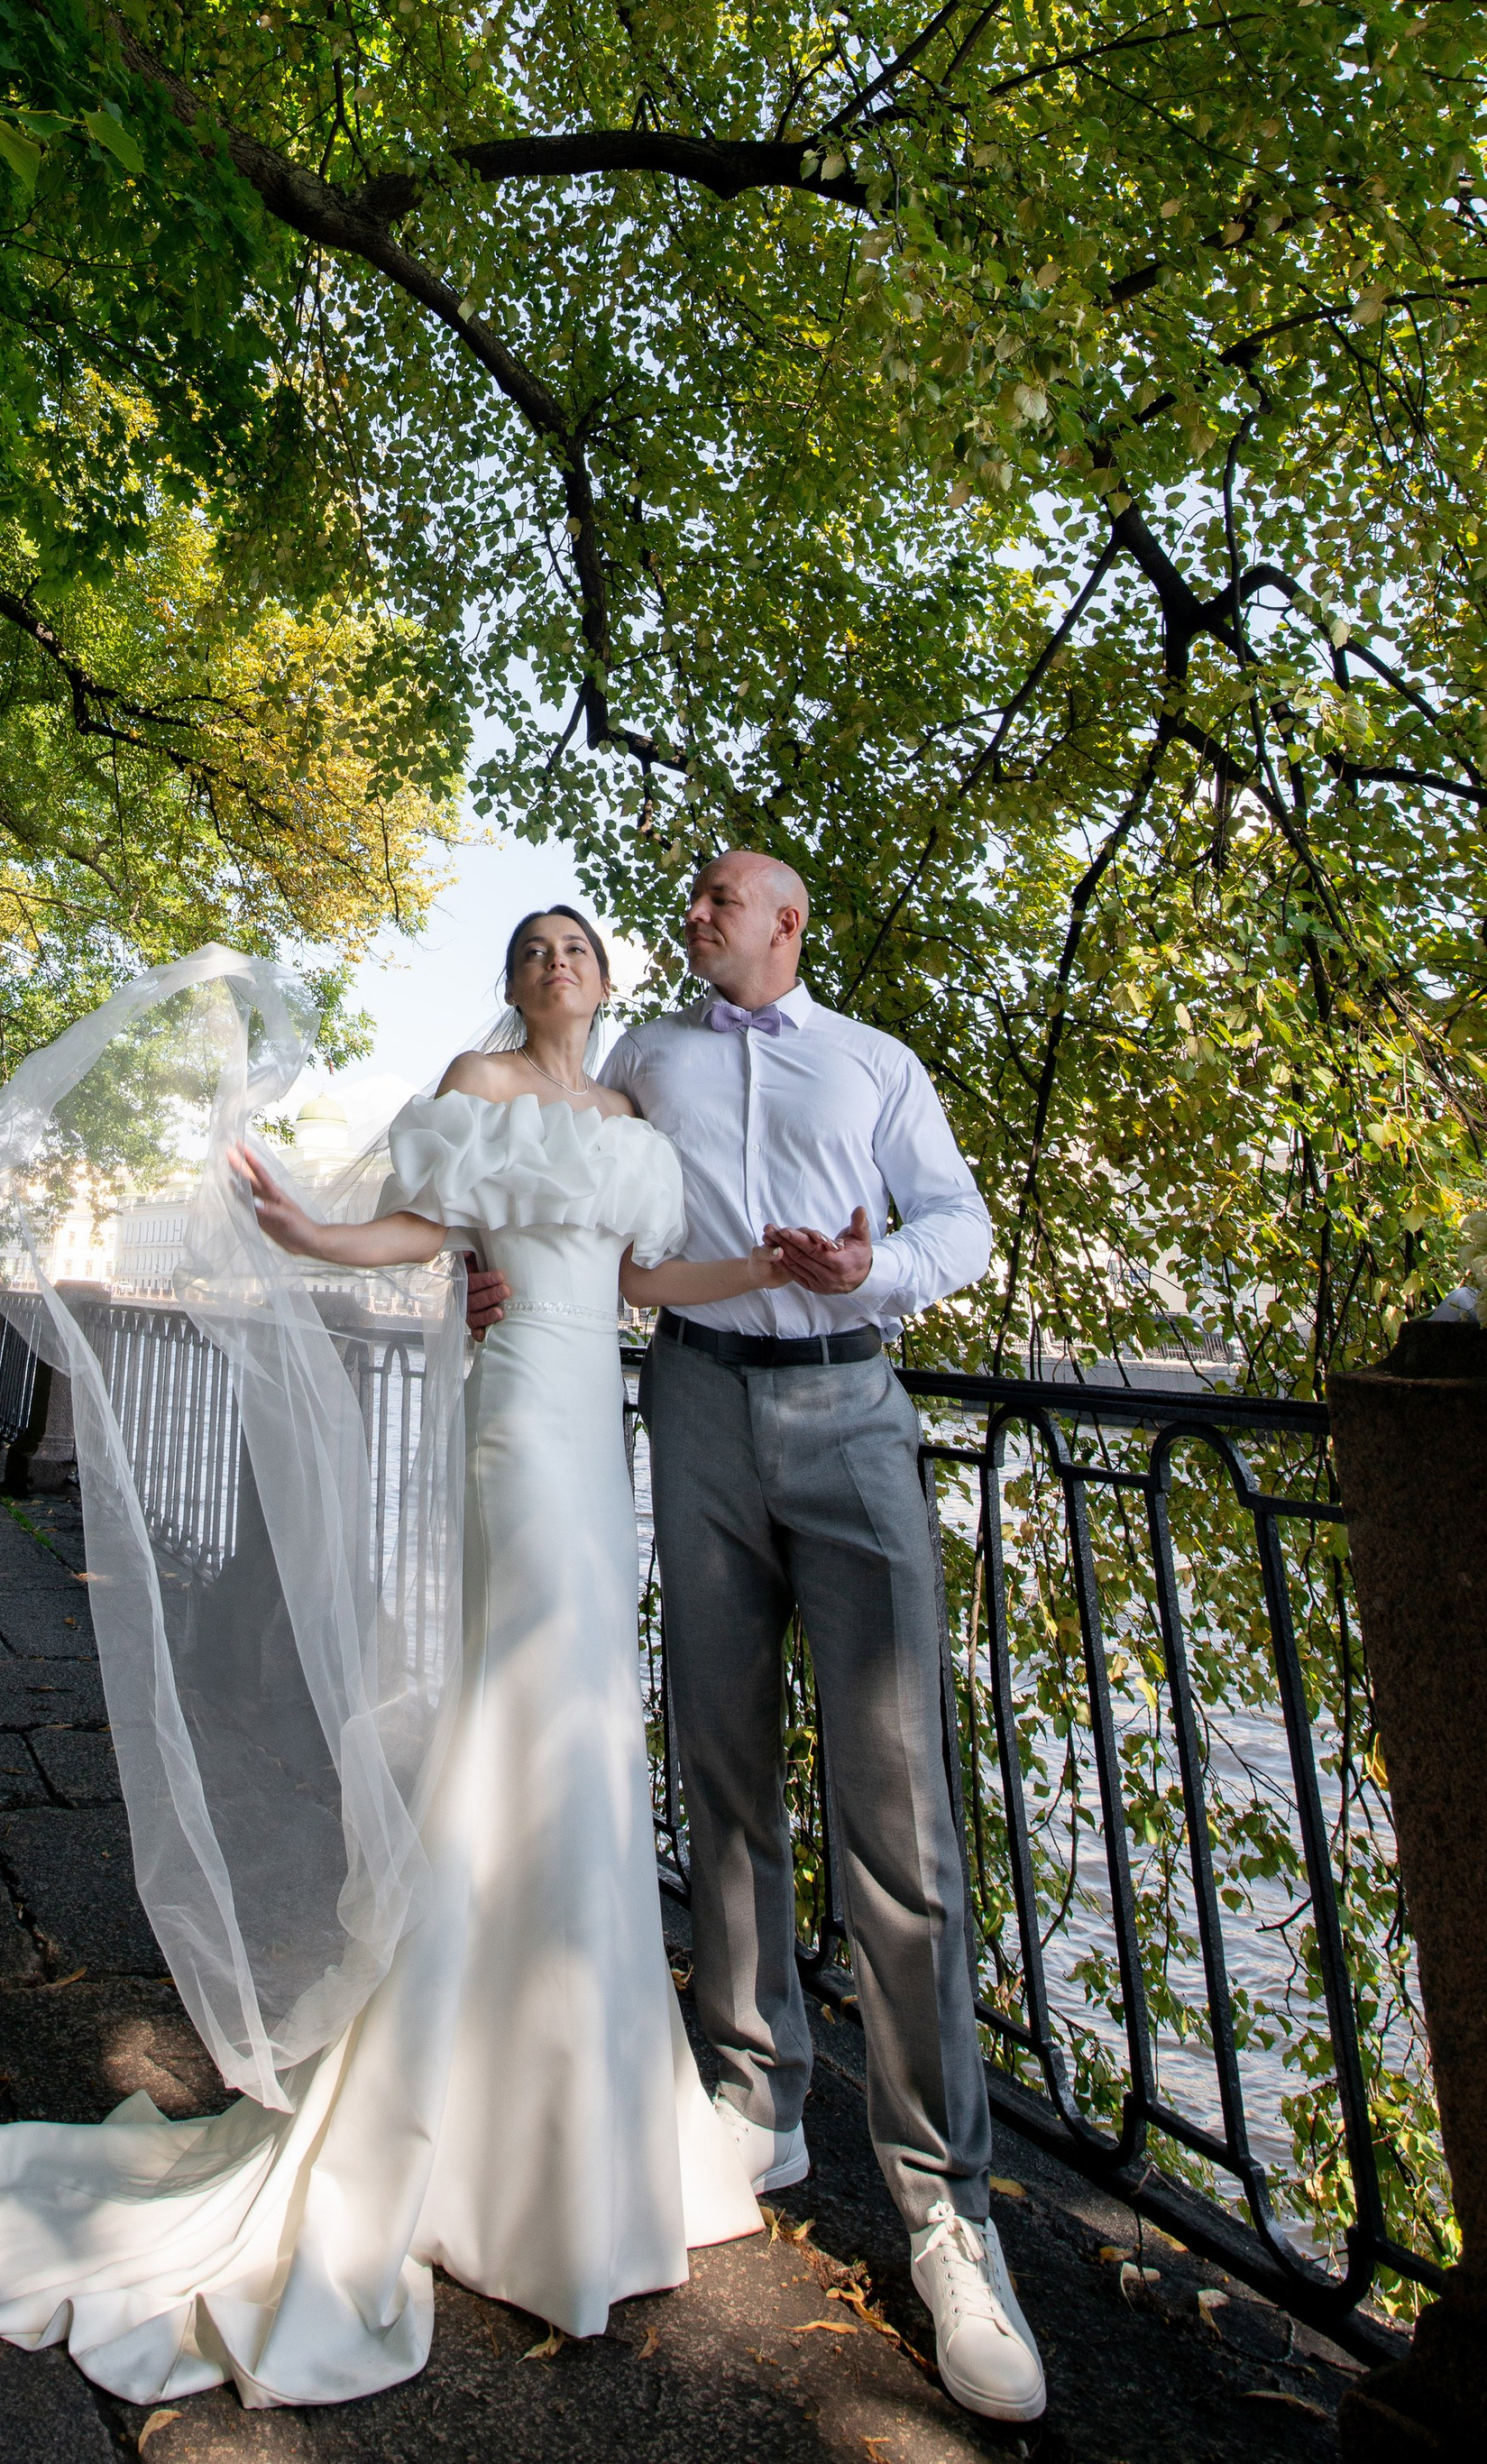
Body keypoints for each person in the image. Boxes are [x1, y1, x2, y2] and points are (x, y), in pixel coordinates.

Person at [0, 908, 782, 2405]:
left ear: (610, 977)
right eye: (530, 949)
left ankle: (583, 2099)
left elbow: (646, 1285)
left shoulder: (631, 1109)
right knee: (525, 1697)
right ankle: (463, 2093)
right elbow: (429, 1231)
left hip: (600, 1438)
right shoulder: (481, 1078)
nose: (554, 961)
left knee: (582, 1723)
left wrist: (770, 1265)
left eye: (576, 945)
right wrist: (317, 1238)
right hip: (517, 1425)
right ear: (511, 985)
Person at [594, 848, 1047, 2426]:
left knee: (900, 1812)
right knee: (721, 1770)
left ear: (790, 927)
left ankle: (946, 2213)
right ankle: (749, 2098)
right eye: (696, 898)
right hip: (697, 1402)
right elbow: (572, 1185)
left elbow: (962, 1223)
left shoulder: (874, 1062)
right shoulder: (642, 1054)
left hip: (855, 1409)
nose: (696, 914)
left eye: (722, 899)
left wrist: (882, 1270)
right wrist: (503, 1274)